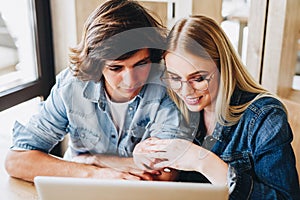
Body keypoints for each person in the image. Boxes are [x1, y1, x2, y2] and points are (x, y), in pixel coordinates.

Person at [5, 0, 189, 182]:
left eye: (141, 64)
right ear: (97, 64)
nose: (130, 80)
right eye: (116, 68)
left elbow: (165, 173)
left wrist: (93, 160)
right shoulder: (72, 86)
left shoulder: (166, 86)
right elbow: (17, 161)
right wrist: (93, 173)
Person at [133, 15, 300, 199]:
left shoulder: (264, 116)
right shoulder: (172, 106)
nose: (186, 91)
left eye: (198, 79)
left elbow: (285, 198)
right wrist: (145, 157)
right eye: (175, 78)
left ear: (224, 68)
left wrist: (201, 161)